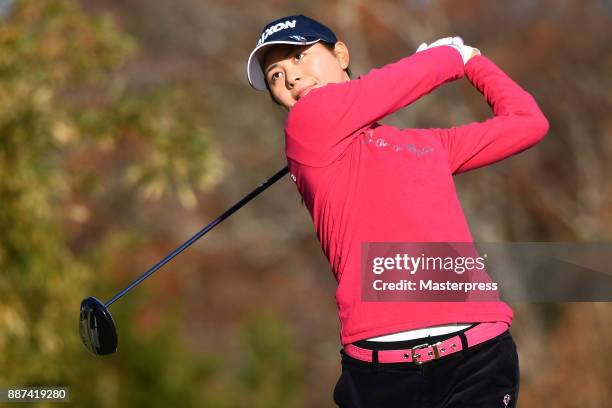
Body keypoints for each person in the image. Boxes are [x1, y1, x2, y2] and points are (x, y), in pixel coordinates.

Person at [246, 14, 548, 408]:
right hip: (382, 377)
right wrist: (448, 56)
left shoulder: (427, 145)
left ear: (341, 54)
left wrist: (474, 62)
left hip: (478, 359)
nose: (291, 78)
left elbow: (528, 123)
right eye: (275, 76)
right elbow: (403, 80)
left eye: (300, 56)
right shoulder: (306, 127)